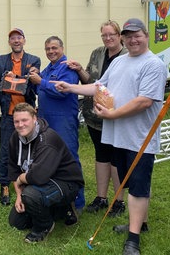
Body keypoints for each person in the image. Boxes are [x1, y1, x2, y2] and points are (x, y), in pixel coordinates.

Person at [54, 18, 167, 255]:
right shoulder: (118, 62)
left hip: (140, 139)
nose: (132, 39)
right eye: (128, 36)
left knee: (138, 186)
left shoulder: (153, 64)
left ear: (146, 36)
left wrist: (113, 114)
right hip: (118, 137)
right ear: (123, 38)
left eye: (137, 35)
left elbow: (144, 101)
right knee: (129, 183)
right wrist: (71, 88)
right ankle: (141, 223)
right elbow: (99, 87)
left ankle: (133, 239)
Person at [64, 21, 128, 216]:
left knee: (117, 159)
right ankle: (101, 197)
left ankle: (118, 201)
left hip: (116, 115)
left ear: (120, 36)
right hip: (94, 116)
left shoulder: (127, 56)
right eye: (104, 35)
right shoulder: (98, 53)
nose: (108, 38)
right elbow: (90, 81)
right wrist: (79, 70)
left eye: (112, 35)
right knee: (101, 155)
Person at [0, 28, 41, 206]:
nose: (16, 41)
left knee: (31, 151)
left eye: (19, 38)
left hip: (27, 115)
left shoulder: (34, 60)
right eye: (13, 39)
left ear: (24, 41)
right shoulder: (2, 60)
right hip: (8, 115)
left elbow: (31, 81)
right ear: (9, 42)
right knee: (6, 151)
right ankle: (5, 184)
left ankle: (28, 181)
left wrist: (16, 77)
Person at [7, 103, 84, 243]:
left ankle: (44, 227)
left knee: (30, 195)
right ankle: (62, 210)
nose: (20, 125)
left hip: (66, 182)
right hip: (41, 181)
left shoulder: (47, 139)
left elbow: (38, 177)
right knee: (17, 222)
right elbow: (13, 168)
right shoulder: (15, 138)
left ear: (34, 119)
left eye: (24, 120)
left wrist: (20, 180)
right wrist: (19, 196)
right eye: (16, 121)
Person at [28, 36, 84, 219]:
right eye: (47, 49)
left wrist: (40, 82)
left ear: (62, 48)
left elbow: (62, 91)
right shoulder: (49, 68)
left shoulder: (68, 67)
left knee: (69, 159)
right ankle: (59, 199)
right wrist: (35, 76)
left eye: (54, 48)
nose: (51, 51)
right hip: (47, 121)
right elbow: (39, 88)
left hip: (63, 122)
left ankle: (77, 201)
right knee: (50, 159)